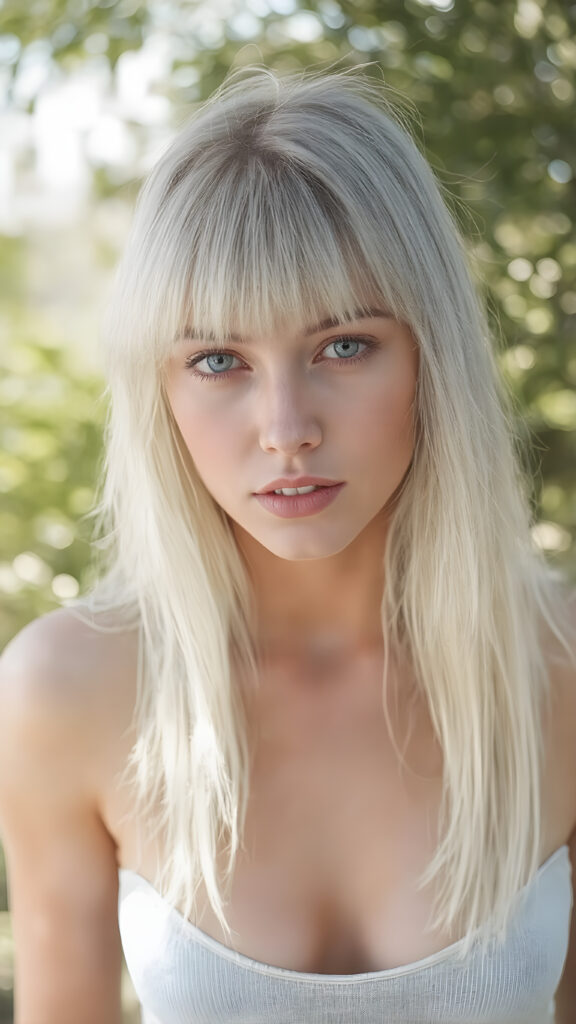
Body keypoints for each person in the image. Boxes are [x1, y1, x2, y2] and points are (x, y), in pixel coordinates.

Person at [0, 66, 575, 1024]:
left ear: (431, 352)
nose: (285, 427)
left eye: (343, 345)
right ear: (160, 389)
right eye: (218, 360)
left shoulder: (560, 666)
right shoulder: (69, 690)